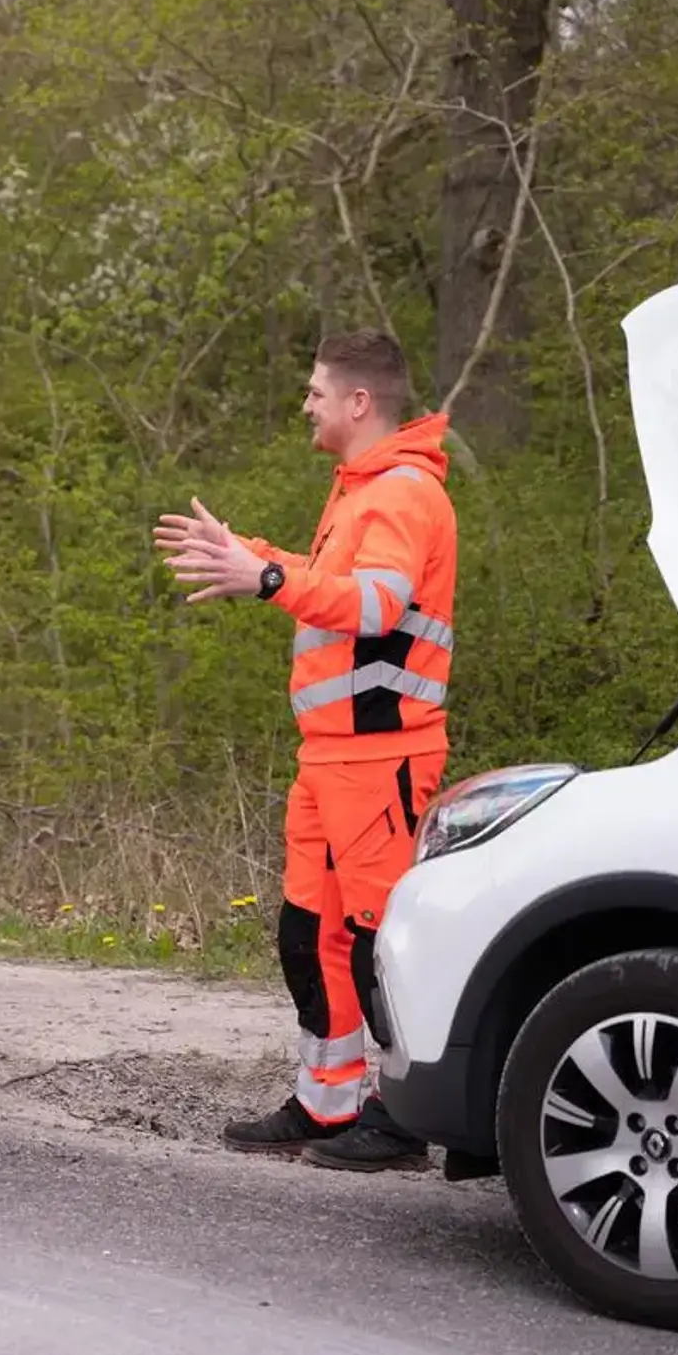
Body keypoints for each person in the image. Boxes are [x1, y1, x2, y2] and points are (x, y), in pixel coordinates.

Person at [154, 329, 456, 1172]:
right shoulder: (358, 490)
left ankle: (400, 1120)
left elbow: (375, 605)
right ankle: (327, 1108)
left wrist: (273, 583)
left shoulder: (401, 493)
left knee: (373, 944)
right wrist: (253, 557)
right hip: (330, 758)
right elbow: (332, 586)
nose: (307, 405)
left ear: (360, 403)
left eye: (317, 392)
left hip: (383, 757)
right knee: (308, 934)